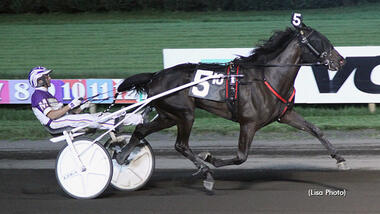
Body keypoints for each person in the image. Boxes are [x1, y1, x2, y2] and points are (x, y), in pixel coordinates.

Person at [28, 66, 143, 133]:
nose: (50, 78)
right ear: (40, 80)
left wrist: (82, 106)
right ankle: (116, 123)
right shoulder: (38, 95)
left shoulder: (47, 94)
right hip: (54, 123)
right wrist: (71, 105)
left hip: (62, 119)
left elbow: (68, 113)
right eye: (46, 76)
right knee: (89, 119)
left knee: (101, 116)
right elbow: (52, 116)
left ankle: (139, 119)